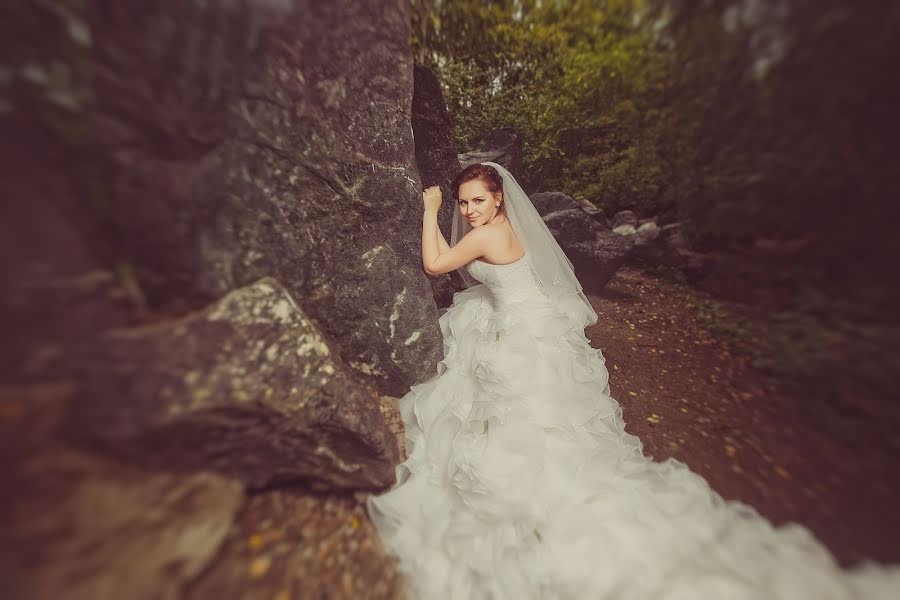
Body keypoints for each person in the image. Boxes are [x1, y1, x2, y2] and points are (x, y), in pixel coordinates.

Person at [365, 162, 900, 599]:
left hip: (521, 335)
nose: (467, 209)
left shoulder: (486, 236)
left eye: (476, 200)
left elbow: (435, 265)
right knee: (544, 422)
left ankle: (543, 513)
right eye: (461, 202)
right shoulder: (496, 233)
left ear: (499, 200)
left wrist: (428, 210)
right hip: (530, 325)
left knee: (525, 422)